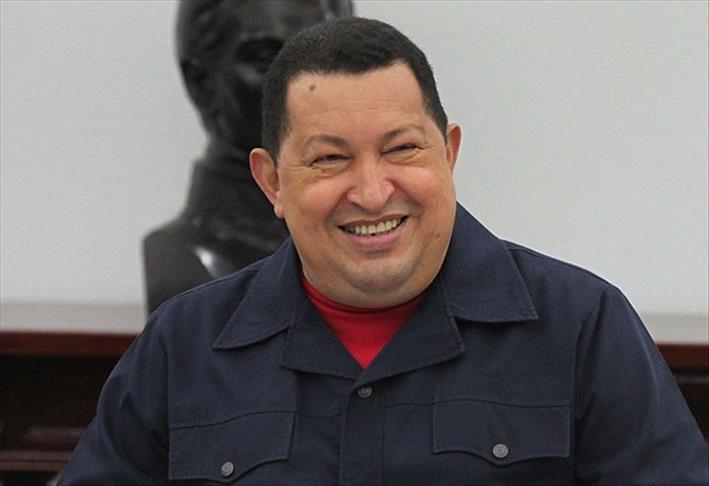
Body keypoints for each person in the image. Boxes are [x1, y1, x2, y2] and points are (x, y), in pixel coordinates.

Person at [60, 17, 708, 484]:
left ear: (449, 153)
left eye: (402, 149)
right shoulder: (183, 345)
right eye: (329, 159)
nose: (372, 192)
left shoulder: (581, 326)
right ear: (272, 182)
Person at [143, 0, 353, 313]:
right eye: (265, 59)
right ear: (200, 81)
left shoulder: (368, 235)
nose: (304, 87)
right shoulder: (189, 258)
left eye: (323, 60)